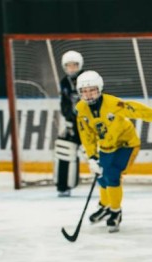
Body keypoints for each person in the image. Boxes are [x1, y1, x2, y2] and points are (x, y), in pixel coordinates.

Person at [74, 70, 152, 233]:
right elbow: (86, 134)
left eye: (92, 90)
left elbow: (134, 109)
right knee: (101, 177)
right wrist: (91, 157)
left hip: (126, 144)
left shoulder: (112, 103)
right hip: (105, 146)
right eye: (84, 91)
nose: (88, 95)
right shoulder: (81, 109)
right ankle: (105, 206)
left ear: (100, 89)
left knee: (111, 175)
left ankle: (115, 212)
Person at [55, 50, 85, 197]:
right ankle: (63, 186)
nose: (72, 68)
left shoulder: (88, 78)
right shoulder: (64, 82)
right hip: (73, 124)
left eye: (74, 65)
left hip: (89, 124)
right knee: (64, 149)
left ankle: (107, 181)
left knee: (99, 152)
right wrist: (69, 118)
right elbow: (64, 104)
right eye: (69, 66)